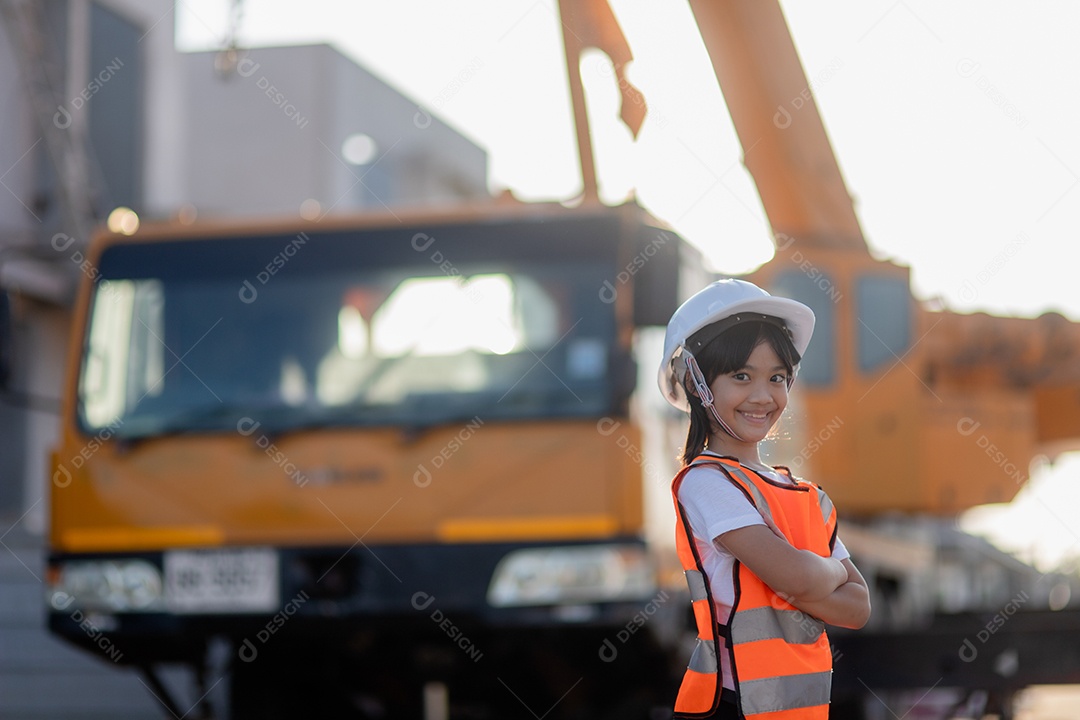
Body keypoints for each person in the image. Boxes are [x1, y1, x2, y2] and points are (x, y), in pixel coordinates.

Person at [658, 279, 870, 719]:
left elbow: (857, 608)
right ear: (696, 383)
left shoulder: (805, 494)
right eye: (741, 376)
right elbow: (799, 578)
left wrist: (802, 579)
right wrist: (826, 573)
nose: (762, 396)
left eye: (777, 378)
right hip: (731, 707)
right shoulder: (707, 482)